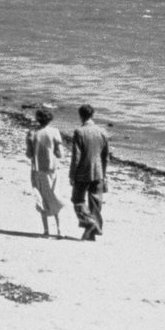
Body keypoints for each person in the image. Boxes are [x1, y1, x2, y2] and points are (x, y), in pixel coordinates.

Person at [68, 103, 110, 241]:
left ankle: (89, 223)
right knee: (96, 202)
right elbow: (106, 156)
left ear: (81, 116)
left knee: (77, 199)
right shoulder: (102, 131)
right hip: (98, 171)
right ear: (93, 115)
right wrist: (104, 173)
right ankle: (93, 231)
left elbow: (76, 157)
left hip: (82, 171)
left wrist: (72, 174)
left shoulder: (79, 132)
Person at [25, 107, 66, 237]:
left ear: (38, 119)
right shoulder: (54, 132)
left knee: (41, 199)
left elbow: (29, 154)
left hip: (37, 169)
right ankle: (59, 230)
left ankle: (46, 231)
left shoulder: (31, 133)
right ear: (49, 119)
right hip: (52, 169)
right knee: (54, 197)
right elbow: (60, 154)